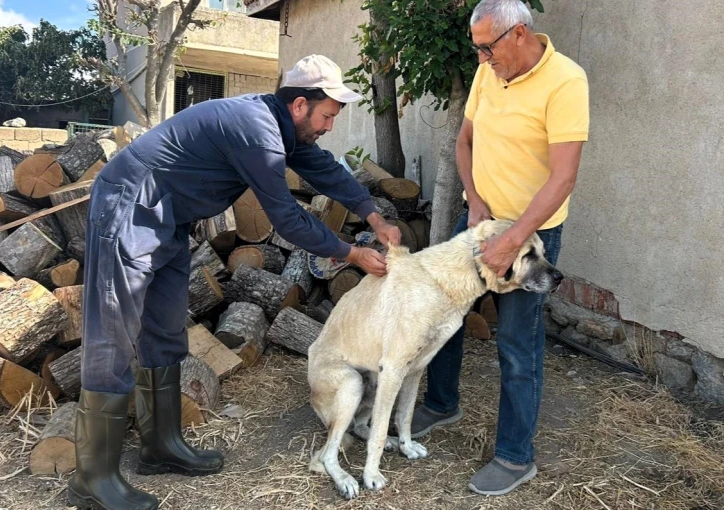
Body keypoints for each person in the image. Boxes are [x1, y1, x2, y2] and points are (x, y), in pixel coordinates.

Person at [67, 54, 401, 510]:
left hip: (170, 217)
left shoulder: (284, 127)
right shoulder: (256, 130)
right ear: (300, 105)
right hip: (130, 206)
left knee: (164, 328)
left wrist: (374, 215)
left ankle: (159, 445)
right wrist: (350, 253)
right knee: (114, 333)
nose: (328, 127)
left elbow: (324, 169)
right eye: (327, 116)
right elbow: (285, 217)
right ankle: (92, 478)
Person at [408, 0, 589, 497]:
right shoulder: (489, 72)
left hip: (532, 235)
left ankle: (514, 456)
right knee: (446, 315)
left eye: (487, 47)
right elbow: (465, 142)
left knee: (516, 343)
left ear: (519, 33)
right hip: (482, 225)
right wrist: (475, 202)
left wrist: (514, 240)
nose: (482, 59)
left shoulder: (566, 81)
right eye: (477, 49)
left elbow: (564, 176)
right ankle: (442, 403)